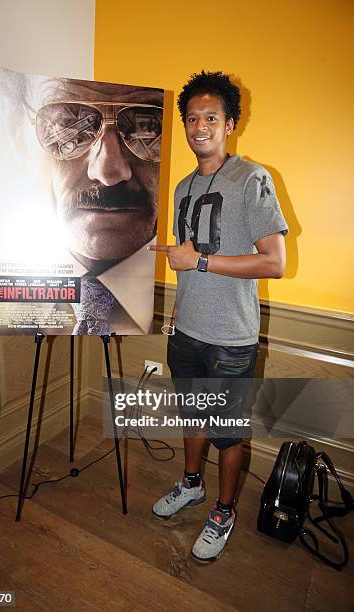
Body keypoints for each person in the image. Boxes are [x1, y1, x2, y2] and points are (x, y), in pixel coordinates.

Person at [150, 70, 288, 563]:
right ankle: (191, 484)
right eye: (192, 118)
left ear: (230, 123)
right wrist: (176, 309)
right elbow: (186, 262)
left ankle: (224, 510)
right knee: (192, 416)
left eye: (211, 116)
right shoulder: (183, 186)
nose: (199, 126)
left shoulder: (252, 178)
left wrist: (201, 261)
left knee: (227, 430)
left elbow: (275, 262)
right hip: (186, 332)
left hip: (231, 340)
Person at [0, 70, 164, 336]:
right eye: (67, 127)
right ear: (17, 138)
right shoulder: (4, 301)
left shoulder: (192, 295)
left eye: (147, 127)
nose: (108, 172)